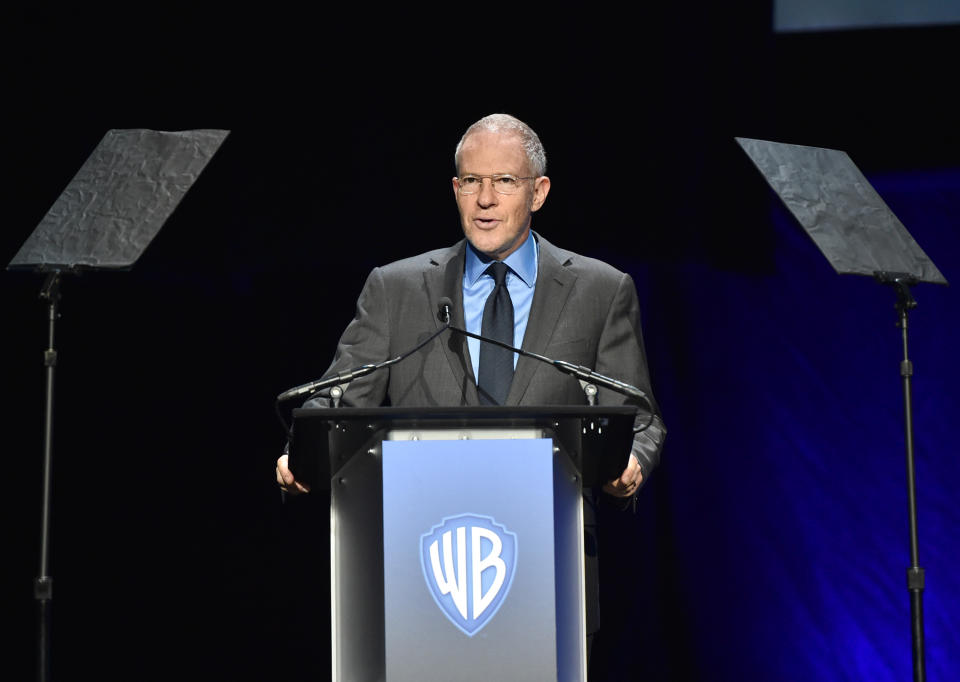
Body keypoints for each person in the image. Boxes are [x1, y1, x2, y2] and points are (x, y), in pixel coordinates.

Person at [275, 113, 666, 645]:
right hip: (417, 561)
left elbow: (639, 418)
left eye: (504, 181)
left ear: (538, 192)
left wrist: (633, 464)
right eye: (471, 181)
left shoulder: (600, 290)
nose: (485, 199)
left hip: (551, 563)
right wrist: (305, 450)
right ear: (455, 190)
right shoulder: (398, 289)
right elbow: (340, 397)